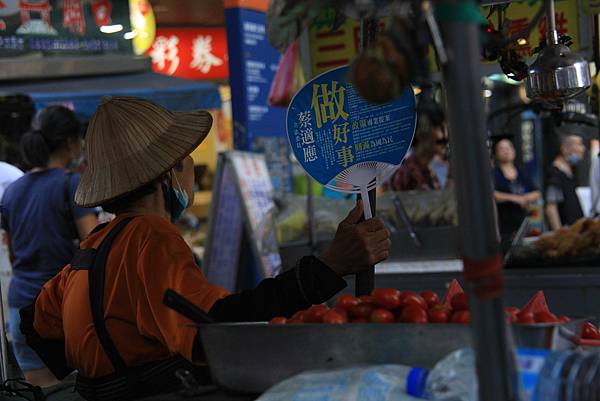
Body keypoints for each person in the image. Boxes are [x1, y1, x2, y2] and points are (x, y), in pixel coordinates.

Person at [20, 97, 391, 400]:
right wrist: (329, 267)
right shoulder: (151, 237)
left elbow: (35, 323)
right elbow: (223, 324)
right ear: (167, 173)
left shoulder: (93, 246)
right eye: (188, 164)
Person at [1, 106, 99, 387]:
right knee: (72, 391)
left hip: (21, 306)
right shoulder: (72, 184)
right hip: (61, 308)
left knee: (40, 390)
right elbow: (93, 246)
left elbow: (13, 252)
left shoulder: (14, 190)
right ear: (70, 142)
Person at [492, 139, 540, 250]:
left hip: (522, 222)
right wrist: (515, 198)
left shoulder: (522, 172)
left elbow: (536, 192)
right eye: (502, 149)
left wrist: (524, 198)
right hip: (502, 224)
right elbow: (492, 194)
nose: (506, 151)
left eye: (508, 148)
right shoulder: (494, 174)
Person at [387, 122, 446, 191]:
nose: (444, 146)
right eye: (440, 141)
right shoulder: (408, 172)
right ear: (422, 137)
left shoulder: (430, 171)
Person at [545, 134, 585, 230]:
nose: (582, 149)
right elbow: (551, 208)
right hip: (566, 233)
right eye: (579, 144)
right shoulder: (555, 174)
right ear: (565, 149)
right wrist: (560, 235)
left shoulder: (570, 172)